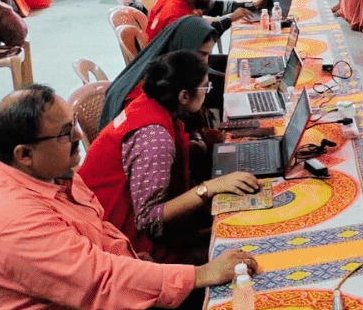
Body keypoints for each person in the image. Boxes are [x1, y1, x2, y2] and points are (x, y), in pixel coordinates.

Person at [0, 86, 257, 310]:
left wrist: (133, 258)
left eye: (72, 125)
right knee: (234, 306)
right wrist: (200, 274)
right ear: (24, 154)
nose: (76, 137)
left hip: (103, 300)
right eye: (64, 133)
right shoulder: (14, 223)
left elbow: (98, 228)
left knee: (236, 293)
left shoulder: (51, 175)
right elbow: (101, 281)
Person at [79, 51, 259, 262]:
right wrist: (209, 188)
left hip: (110, 221)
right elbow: (148, 219)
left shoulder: (146, 103)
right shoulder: (154, 136)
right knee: (244, 246)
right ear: (183, 96)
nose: (207, 92)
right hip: (123, 243)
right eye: (204, 87)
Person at [99, 17, 217, 131]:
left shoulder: (170, 74)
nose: (206, 62)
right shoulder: (146, 95)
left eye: (208, 55)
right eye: (202, 54)